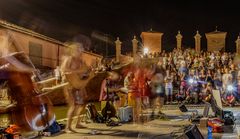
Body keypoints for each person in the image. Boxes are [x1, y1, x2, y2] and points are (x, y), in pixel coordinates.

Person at [61, 42, 93, 133]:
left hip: (79, 85)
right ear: (73, 51)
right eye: (78, 50)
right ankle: (68, 127)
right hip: (69, 85)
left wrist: (89, 72)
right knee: (73, 105)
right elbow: (64, 70)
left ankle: (78, 123)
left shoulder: (81, 61)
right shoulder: (69, 59)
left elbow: (85, 72)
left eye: (81, 50)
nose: (80, 51)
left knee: (83, 104)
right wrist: (79, 71)